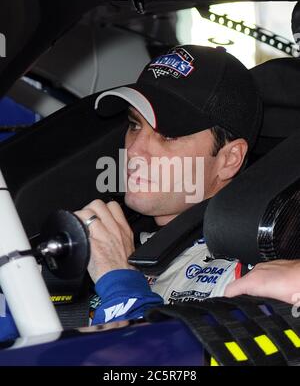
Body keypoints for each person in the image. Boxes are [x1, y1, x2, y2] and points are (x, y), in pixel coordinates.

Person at [75, 44, 267, 325]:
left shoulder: (249, 272)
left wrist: (120, 283)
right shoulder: (128, 237)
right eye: (135, 125)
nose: (134, 151)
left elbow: (164, 367)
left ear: (229, 159)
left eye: (168, 135)